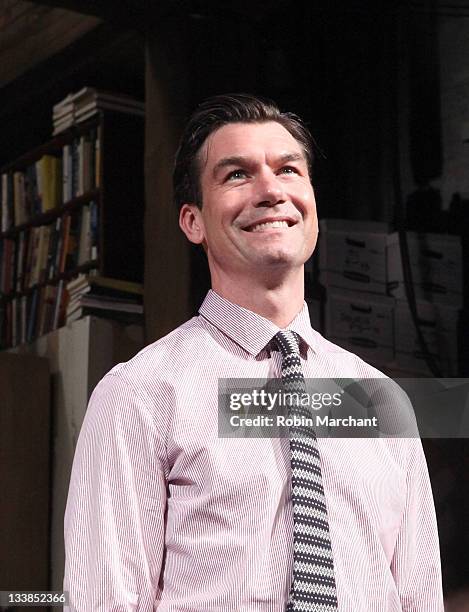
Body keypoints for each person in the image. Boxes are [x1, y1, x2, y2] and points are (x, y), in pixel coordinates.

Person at [64, 93, 444, 611]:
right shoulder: (140, 395)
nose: (270, 190)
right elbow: (103, 600)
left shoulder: (378, 401)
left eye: (288, 170)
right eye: (237, 175)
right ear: (193, 221)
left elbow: (419, 596)